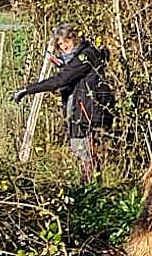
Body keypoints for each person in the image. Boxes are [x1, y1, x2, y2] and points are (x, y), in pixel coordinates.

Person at [13, 23, 115, 182]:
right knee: (83, 152)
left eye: (66, 41)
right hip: (81, 111)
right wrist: (63, 64)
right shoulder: (80, 56)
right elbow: (73, 72)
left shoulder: (85, 56)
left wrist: (28, 90)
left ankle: (91, 187)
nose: (63, 46)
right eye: (60, 44)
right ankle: (90, 184)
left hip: (86, 113)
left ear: (74, 38)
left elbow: (62, 79)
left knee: (84, 152)